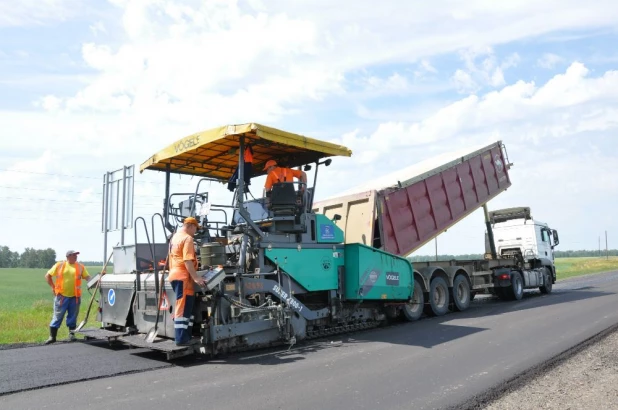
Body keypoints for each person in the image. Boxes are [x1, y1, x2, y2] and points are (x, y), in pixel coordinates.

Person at [168, 217, 206, 346]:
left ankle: (187, 336)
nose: (195, 232)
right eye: (195, 228)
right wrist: (197, 277)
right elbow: (187, 261)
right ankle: (181, 339)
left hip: (176, 276)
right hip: (183, 276)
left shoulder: (175, 237)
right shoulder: (187, 238)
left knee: (187, 308)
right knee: (183, 307)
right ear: (190, 226)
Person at [44, 250, 91, 344]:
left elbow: (88, 278)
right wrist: (53, 287)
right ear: (68, 256)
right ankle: (52, 337)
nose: (76, 257)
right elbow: (47, 276)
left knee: (73, 317)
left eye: (76, 255)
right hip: (61, 296)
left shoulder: (80, 266)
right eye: (74, 255)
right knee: (57, 316)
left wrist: (97, 279)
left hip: (75, 297)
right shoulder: (59, 265)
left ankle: (71, 335)